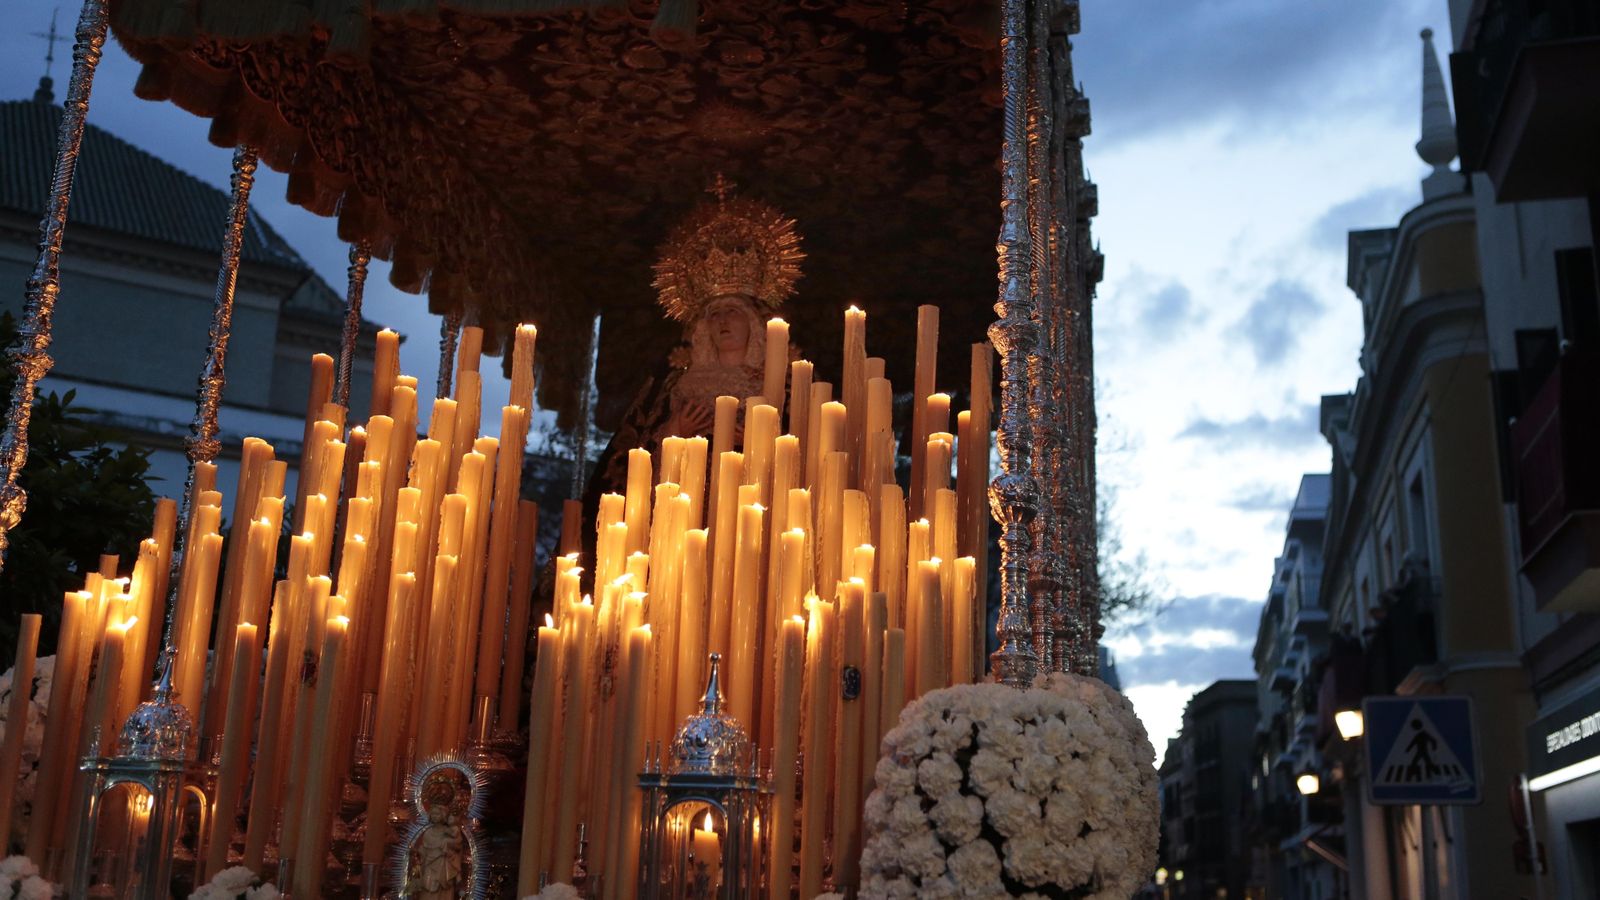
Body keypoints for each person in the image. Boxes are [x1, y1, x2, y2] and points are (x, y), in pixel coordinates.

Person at [585, 177, 804, 502]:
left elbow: (814, 460)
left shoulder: (786, 387)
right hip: (682, 505)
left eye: (732, 311)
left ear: (754, 324)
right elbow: (634, 462)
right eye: (713, 315)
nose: (721, 321)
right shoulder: (673, 387)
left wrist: (766, 448)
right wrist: (674, 432)